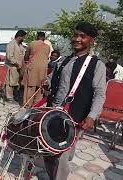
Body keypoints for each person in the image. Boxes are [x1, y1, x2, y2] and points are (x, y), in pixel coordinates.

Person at [44, 22, 106, 180]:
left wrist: (92, 116)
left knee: (62, 156)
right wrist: (47, 82)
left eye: (82, 37)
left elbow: (100, 94)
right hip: (53, 112)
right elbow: (54, 78)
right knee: (48, 150)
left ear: (91, 40)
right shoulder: (64, 60)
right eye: (76, 35)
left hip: (73, 117)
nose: (77, 39)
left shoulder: (96, 65)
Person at [22, 32, 50, 107]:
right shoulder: (47, 47)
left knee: (30, 87)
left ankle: (27, 105)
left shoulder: (32, 43)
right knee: (40, 87)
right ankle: (36, 105)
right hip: (43, 70)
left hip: (32, 68)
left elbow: (26, 55)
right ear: (44, 38)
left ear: (37, 36)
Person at [6, 30, 27, 103]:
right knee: (10, 83)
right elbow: (9, 56)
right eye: (23, 37)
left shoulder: (20, 45)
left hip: (19, 68)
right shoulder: (12, 44)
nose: (24, 39)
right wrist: (16, 63)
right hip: (12, 67)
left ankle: (15, 96)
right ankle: (9, 98)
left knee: (16, 83)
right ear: (20, 36)